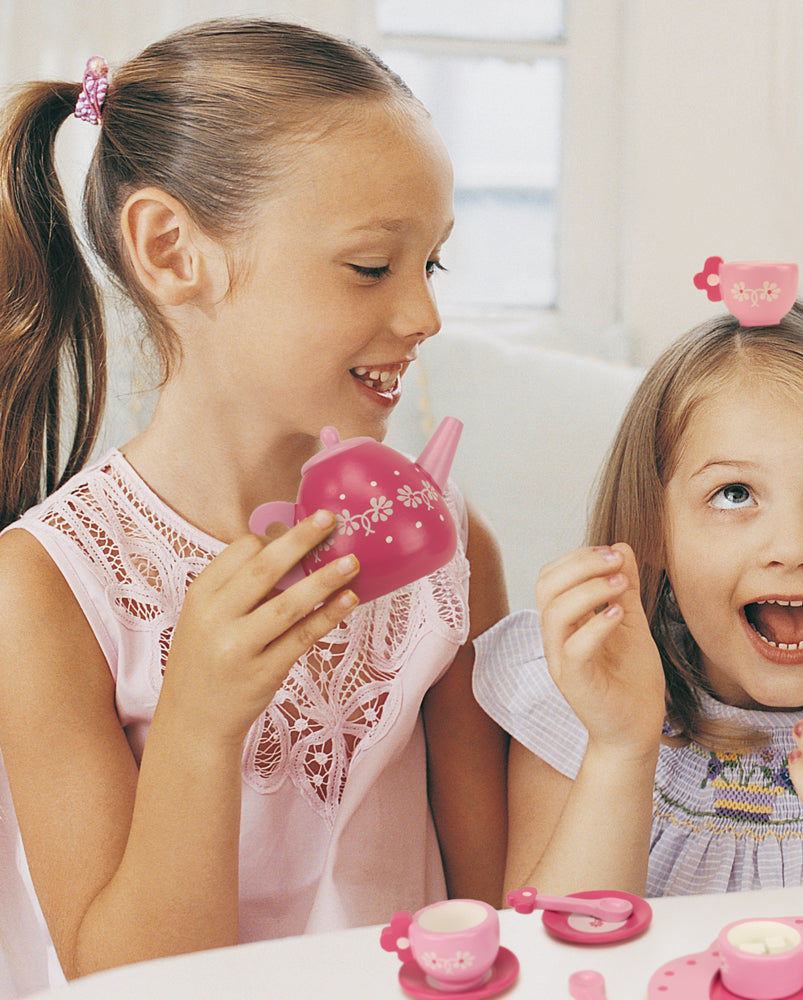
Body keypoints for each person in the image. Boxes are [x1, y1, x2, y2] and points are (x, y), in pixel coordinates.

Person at [0, 17, 508, 990]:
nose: (425, 315)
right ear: (172, 250)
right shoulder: (46, 587)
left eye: (430, 264)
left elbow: (488, 916)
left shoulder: (447, 548)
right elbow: (122, 977)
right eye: (372, 265)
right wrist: (199, 719)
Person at [473, 300, 803, 900]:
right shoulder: (584, 702)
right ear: (655, 529)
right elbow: (552, 979)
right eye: (734, 493)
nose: (792, 547)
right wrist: (621, 751)